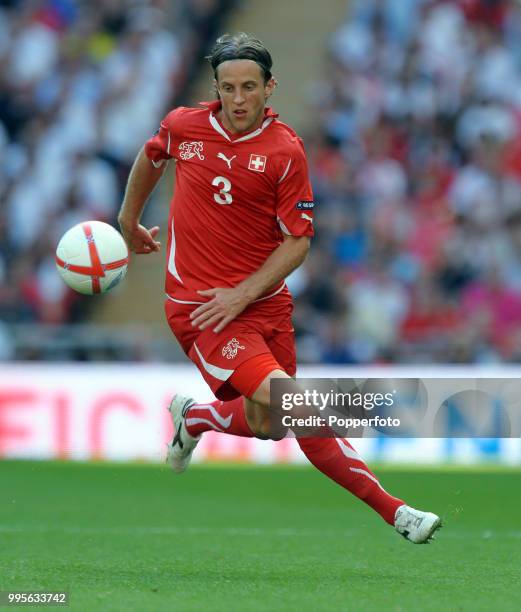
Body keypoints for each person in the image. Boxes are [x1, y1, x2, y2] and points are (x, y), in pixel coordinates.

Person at [118, 32, 441, 544]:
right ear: (216, 88)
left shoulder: (285, 151)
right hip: (202, 311)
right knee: (299, 405)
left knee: (271, 424)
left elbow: (298, 244)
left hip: (262, 306)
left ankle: (196, 417)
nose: (238, 99)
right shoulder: (185, 126)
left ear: (270, 87)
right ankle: (396, 512)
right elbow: (153, 155)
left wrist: (245, 292)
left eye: (249, 87)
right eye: (228, 88)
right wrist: (128, 220)